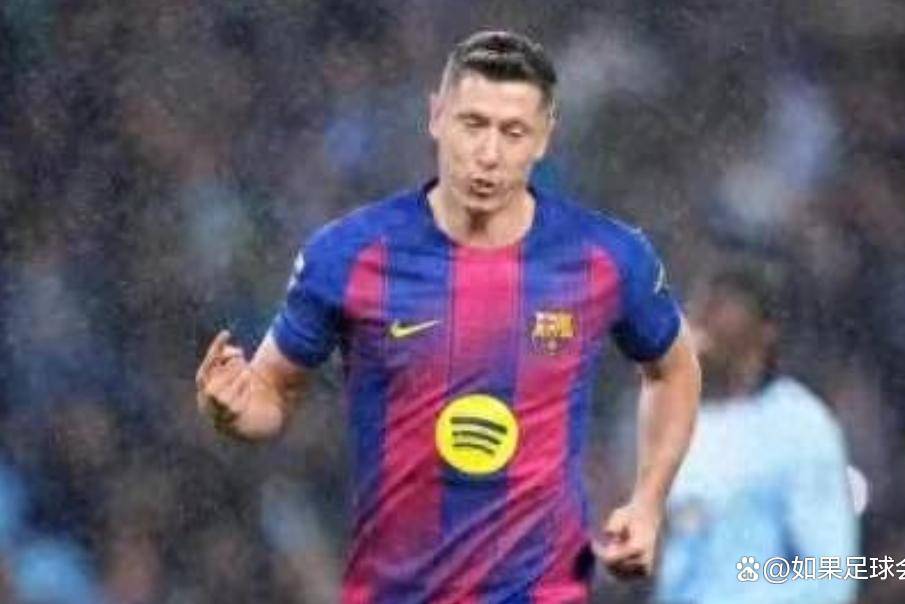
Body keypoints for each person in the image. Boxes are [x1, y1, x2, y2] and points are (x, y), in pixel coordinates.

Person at [195, 30, 701, 603]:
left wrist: (649, 500)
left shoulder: (605, 257)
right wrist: (229, 410)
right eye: (472, 124)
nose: (488, 154)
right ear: (436, 116)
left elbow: (673, 368)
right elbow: (271, 393)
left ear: (544, 137)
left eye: (513, 132)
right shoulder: (348, 256)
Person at [655, 263, 858, 604]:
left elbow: (830, 575)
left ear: (766, 330)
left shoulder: (799, 425)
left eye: (721, 303)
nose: (702, 316)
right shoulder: (678, 424)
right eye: (699, 304)